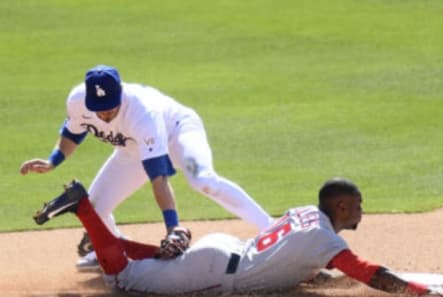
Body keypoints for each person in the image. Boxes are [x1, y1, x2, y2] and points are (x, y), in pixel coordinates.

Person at [20, 64, 272, 270]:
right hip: (132, 148)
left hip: (178, 133)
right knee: (95, 210)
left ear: (120, 92)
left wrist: (172, 226)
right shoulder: (78, 101)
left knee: (202, 180)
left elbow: (158, 178)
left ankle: (272, 228)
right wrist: (53, 160)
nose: (105, 114)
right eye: (100, 110)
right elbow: (73, 133)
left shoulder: (143, 113)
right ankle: (113, 247)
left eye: (110, 107)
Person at [33, 178, 443, 297]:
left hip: (221, 250)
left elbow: (297, 261)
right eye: (358, 205)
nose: (363, 211)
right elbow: (366, 272)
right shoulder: (326, 243)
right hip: (218, 271)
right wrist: (416, 292)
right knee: (123, 280)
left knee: (148, 265)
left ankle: (107, 234)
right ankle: (85, 208)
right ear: (341, 209)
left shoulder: (304, 214)